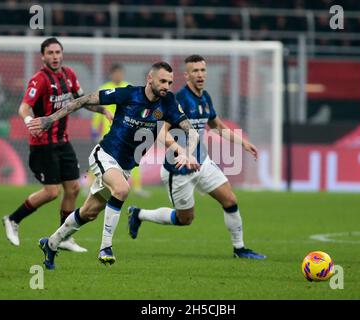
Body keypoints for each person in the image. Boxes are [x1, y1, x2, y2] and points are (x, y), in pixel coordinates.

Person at [28, 61, 200, 270]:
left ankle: (51, 243)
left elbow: (191, 131)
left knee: (89, 212)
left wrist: (188, 153)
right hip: (105, 155)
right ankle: (105, 248)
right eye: (162, 81)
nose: (166, 86)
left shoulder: (168, 103)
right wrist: (50, 119)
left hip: (125, 168)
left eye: (170, 82)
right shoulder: (128, 94)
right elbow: (83, 100)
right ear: (150, 79)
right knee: (121, 189)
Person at [127, 55, 266, 260]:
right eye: (195, 71)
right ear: (187, 75)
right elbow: (161, 132)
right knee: (185, 219)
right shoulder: (177, 100)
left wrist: (243, 142)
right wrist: (181, 152)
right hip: (179, 169)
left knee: (229, 199)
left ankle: (240, 249)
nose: (200, 74)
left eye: (202, 70)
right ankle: (139, 214)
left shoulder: (205, 97)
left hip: (203, 162)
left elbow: (217, 127)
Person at [2, 37, 112, 253]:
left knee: (72, 188)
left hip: (63, 141)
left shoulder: (69, 75)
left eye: (57, 52)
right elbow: (24, 107)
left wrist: (104, 110)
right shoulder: (39, 79)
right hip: (42, 144)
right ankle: (13, 219)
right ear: (43, 56)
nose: (55, 56)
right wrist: (28, 122)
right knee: (52, 192)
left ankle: (63, 237)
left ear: (62, 54)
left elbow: (82, 100)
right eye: (50, 53)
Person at [89, 63, 150, 197]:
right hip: (107, 131)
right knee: (100, 159)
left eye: (120, 73)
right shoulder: (105, 88)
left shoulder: (128, 88)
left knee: (132, 159)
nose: (118, 75)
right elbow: (98, 110)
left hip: (125, 131)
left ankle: (137, 187)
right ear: (111, 74)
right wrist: (94, 128)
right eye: (116, 73)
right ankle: (89, 184)